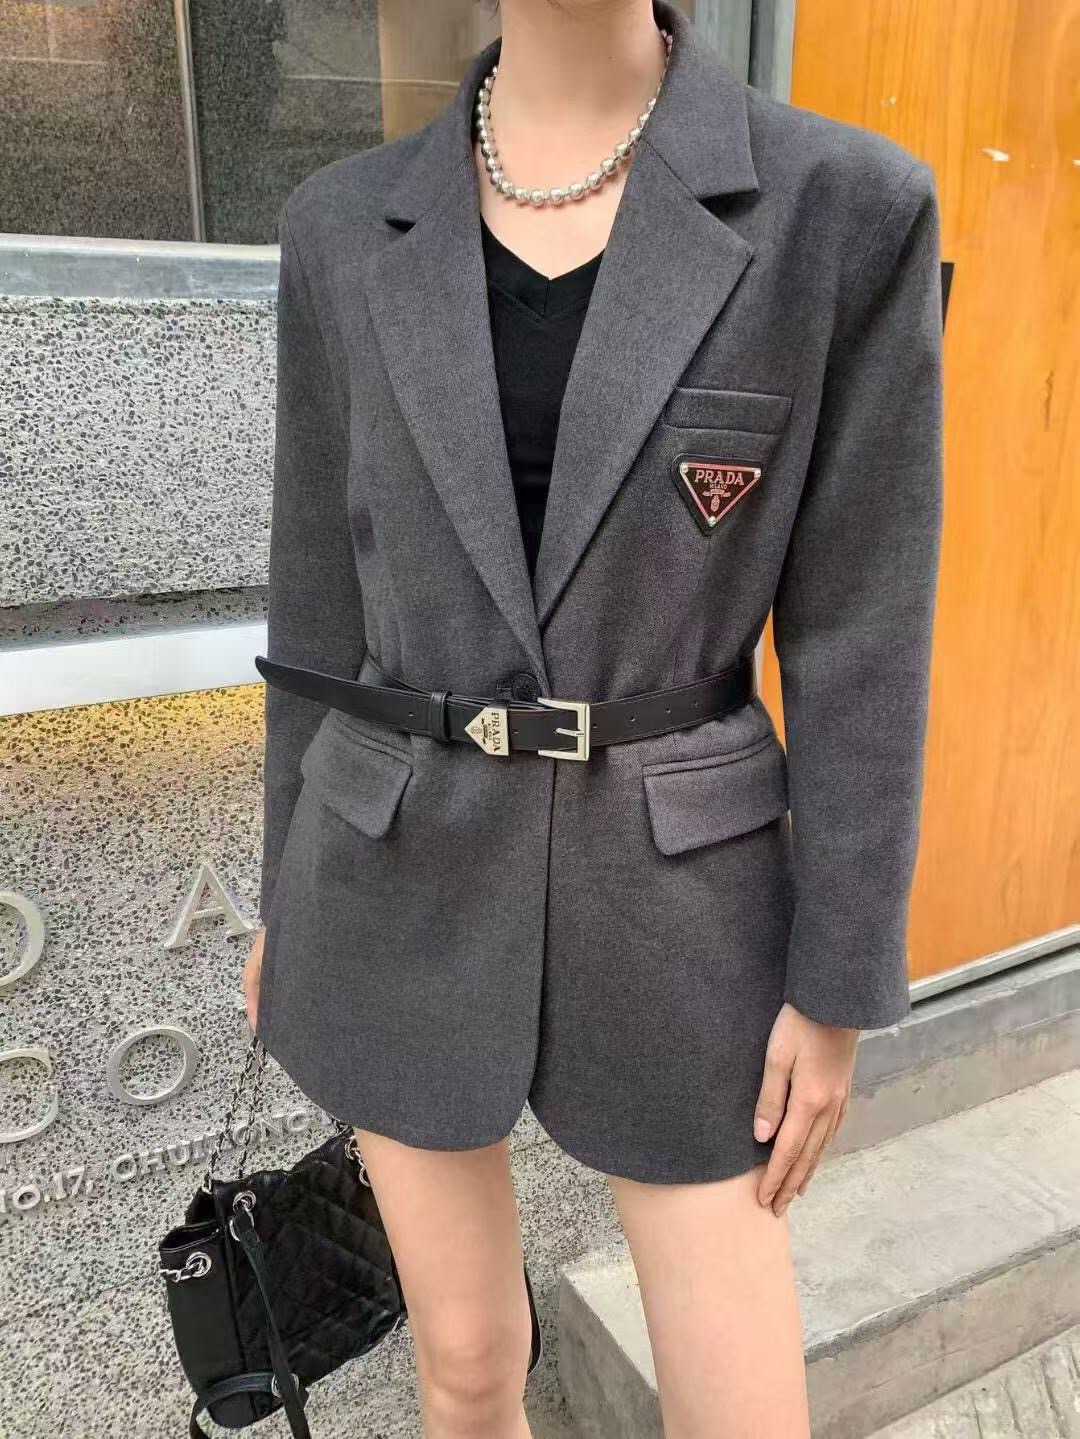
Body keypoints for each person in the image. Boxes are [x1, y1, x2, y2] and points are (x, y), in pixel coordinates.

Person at [243, 1, 944, 1434]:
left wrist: (839, 977)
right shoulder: (341, 229)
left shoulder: (842, 210)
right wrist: (280, 892)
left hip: (686, 891)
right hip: (391, 863)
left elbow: (862, 634)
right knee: (463, 1364)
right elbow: (316, 607)